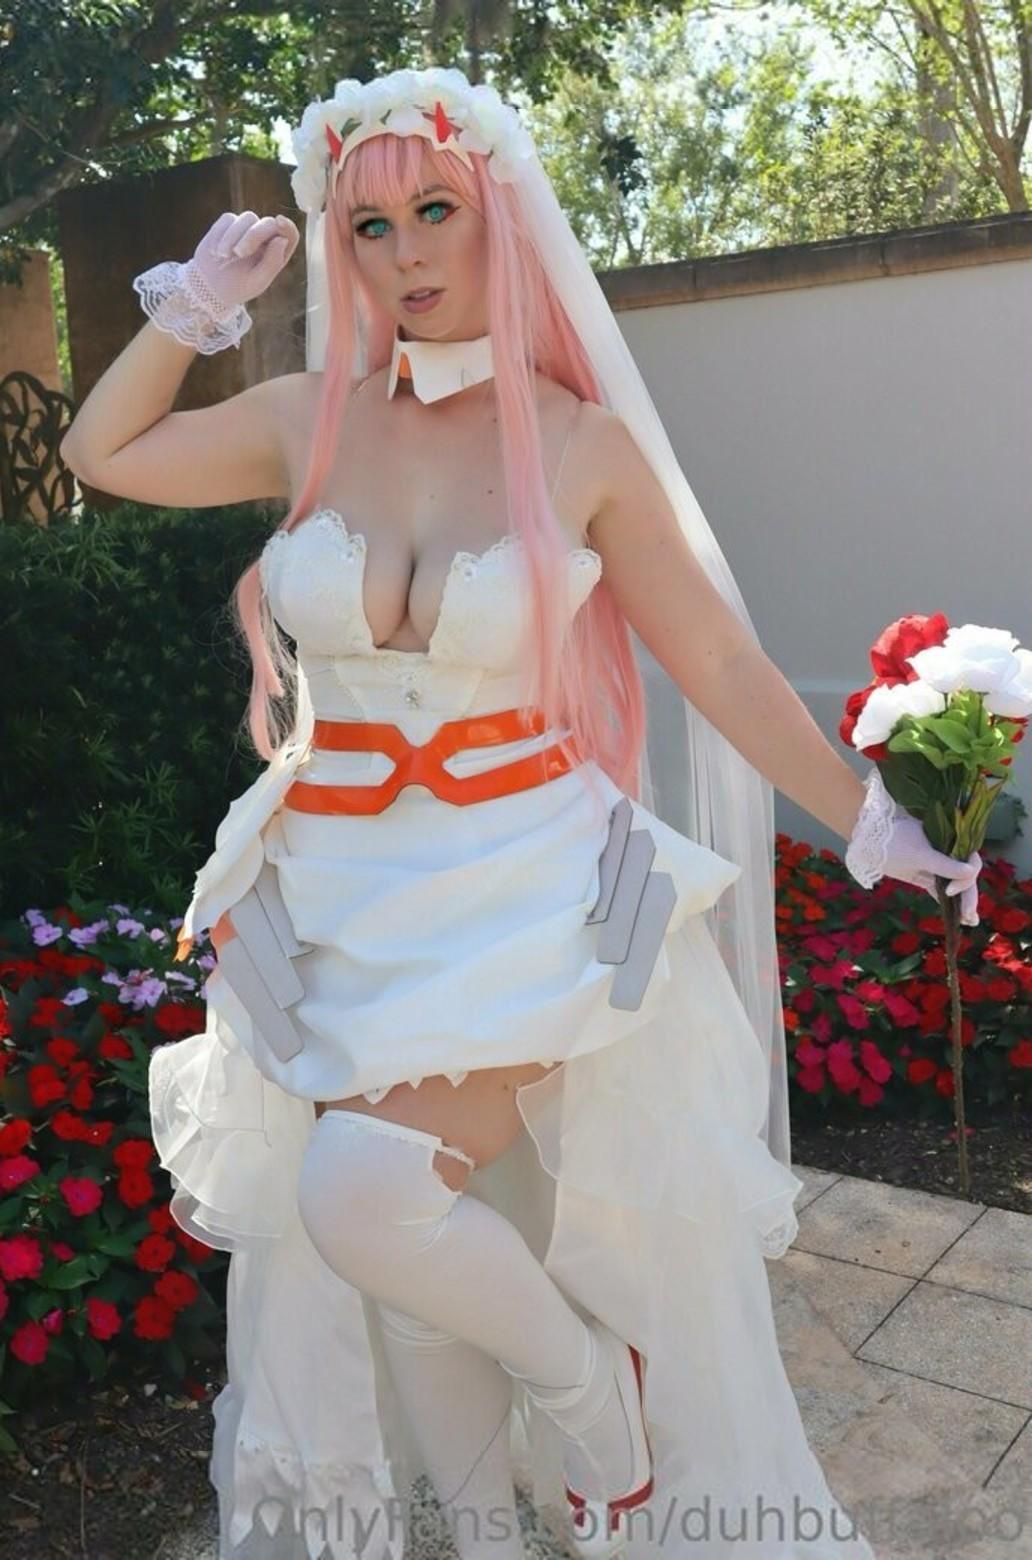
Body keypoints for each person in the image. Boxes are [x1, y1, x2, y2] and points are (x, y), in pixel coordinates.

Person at [60, 67, 980, 1560]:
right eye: (369, 227)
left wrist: (871, 822)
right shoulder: (304, 420)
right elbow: (101, 455)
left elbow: (720, 665)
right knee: (400, 1254)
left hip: (523, 883)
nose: (406, 254)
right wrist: (198, 307)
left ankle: (598, 1404)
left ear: (502, 216)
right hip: (335, 889)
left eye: (436, 211)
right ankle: (489, 1538)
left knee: (369, 1197)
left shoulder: (579, 446)